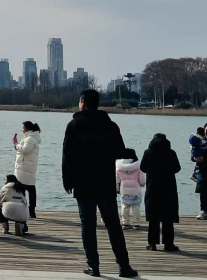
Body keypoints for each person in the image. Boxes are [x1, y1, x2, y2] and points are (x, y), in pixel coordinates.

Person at [62, 90, 137, 278]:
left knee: (88, 225)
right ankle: (124, 266)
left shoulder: (74, 126)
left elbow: (67, 156)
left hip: (83, 182)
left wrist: (67, 180)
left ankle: (93, 266)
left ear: (83, 103)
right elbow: (119, 151)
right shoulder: (110, 126)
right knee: (113, 225)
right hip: (105, 182)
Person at [140, 132, 181, 252]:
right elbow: (177, 168)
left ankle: (152, 244)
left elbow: (142, 168)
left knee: (154, 217)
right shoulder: (171, 152)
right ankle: (168, 244)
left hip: (153, 187)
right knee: (168, 218)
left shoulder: (148, 152)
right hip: (169, 188)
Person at [12, 121, 41, 219]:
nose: (22, 129)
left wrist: (16, 145)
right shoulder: (31, 138)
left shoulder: (30, 138)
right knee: (29, 188)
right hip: (26, 168)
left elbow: (25, 150)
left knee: (26, 189)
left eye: (23, 127)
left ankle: (29, 210)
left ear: (27, 129)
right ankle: (29, 210)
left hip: (25, 168)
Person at [116, 148, 145, 230]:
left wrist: (117, 187)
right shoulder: (137, 166)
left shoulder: (119, 166)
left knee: (125, 206)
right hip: (135, 188)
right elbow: (142, 179)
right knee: (136, 206)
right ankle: (136, 223)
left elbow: (117, 178)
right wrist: (142, 184)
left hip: (124, 188)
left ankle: (125, 222)